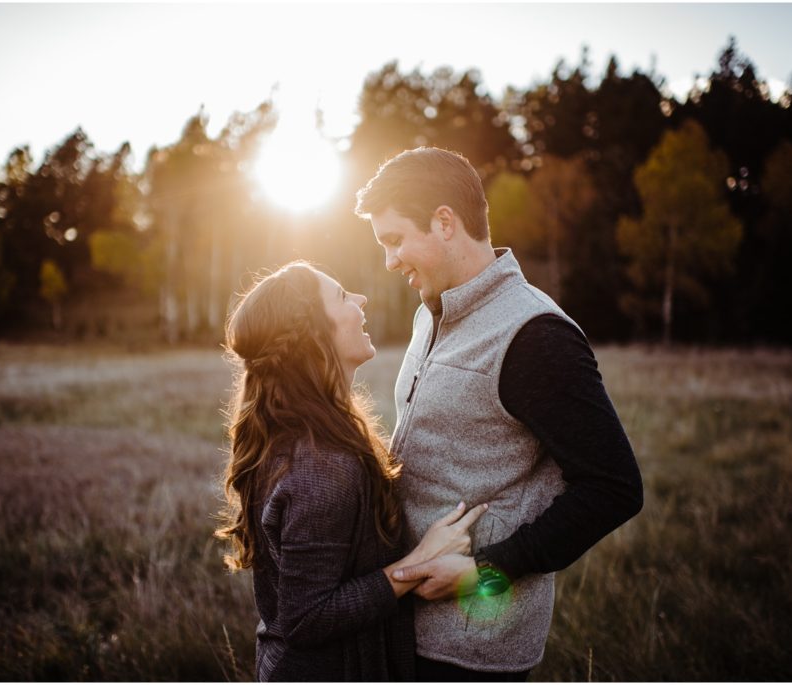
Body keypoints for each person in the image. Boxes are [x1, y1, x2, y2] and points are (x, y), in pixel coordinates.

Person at [354, 147, 645, 681]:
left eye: (395, 240)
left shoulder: (536, 336)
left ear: (445, 222)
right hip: (405, 626)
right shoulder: (432, 312)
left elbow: (614, 488)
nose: (390, 261)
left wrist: (479, 575)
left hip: (471, 651)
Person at [216, 261, 488, 681]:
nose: (361, 300)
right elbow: (306, 618)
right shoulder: (321, 468)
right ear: (314, 335)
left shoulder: (302, 435)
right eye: (343, 296)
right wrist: (418, 563)